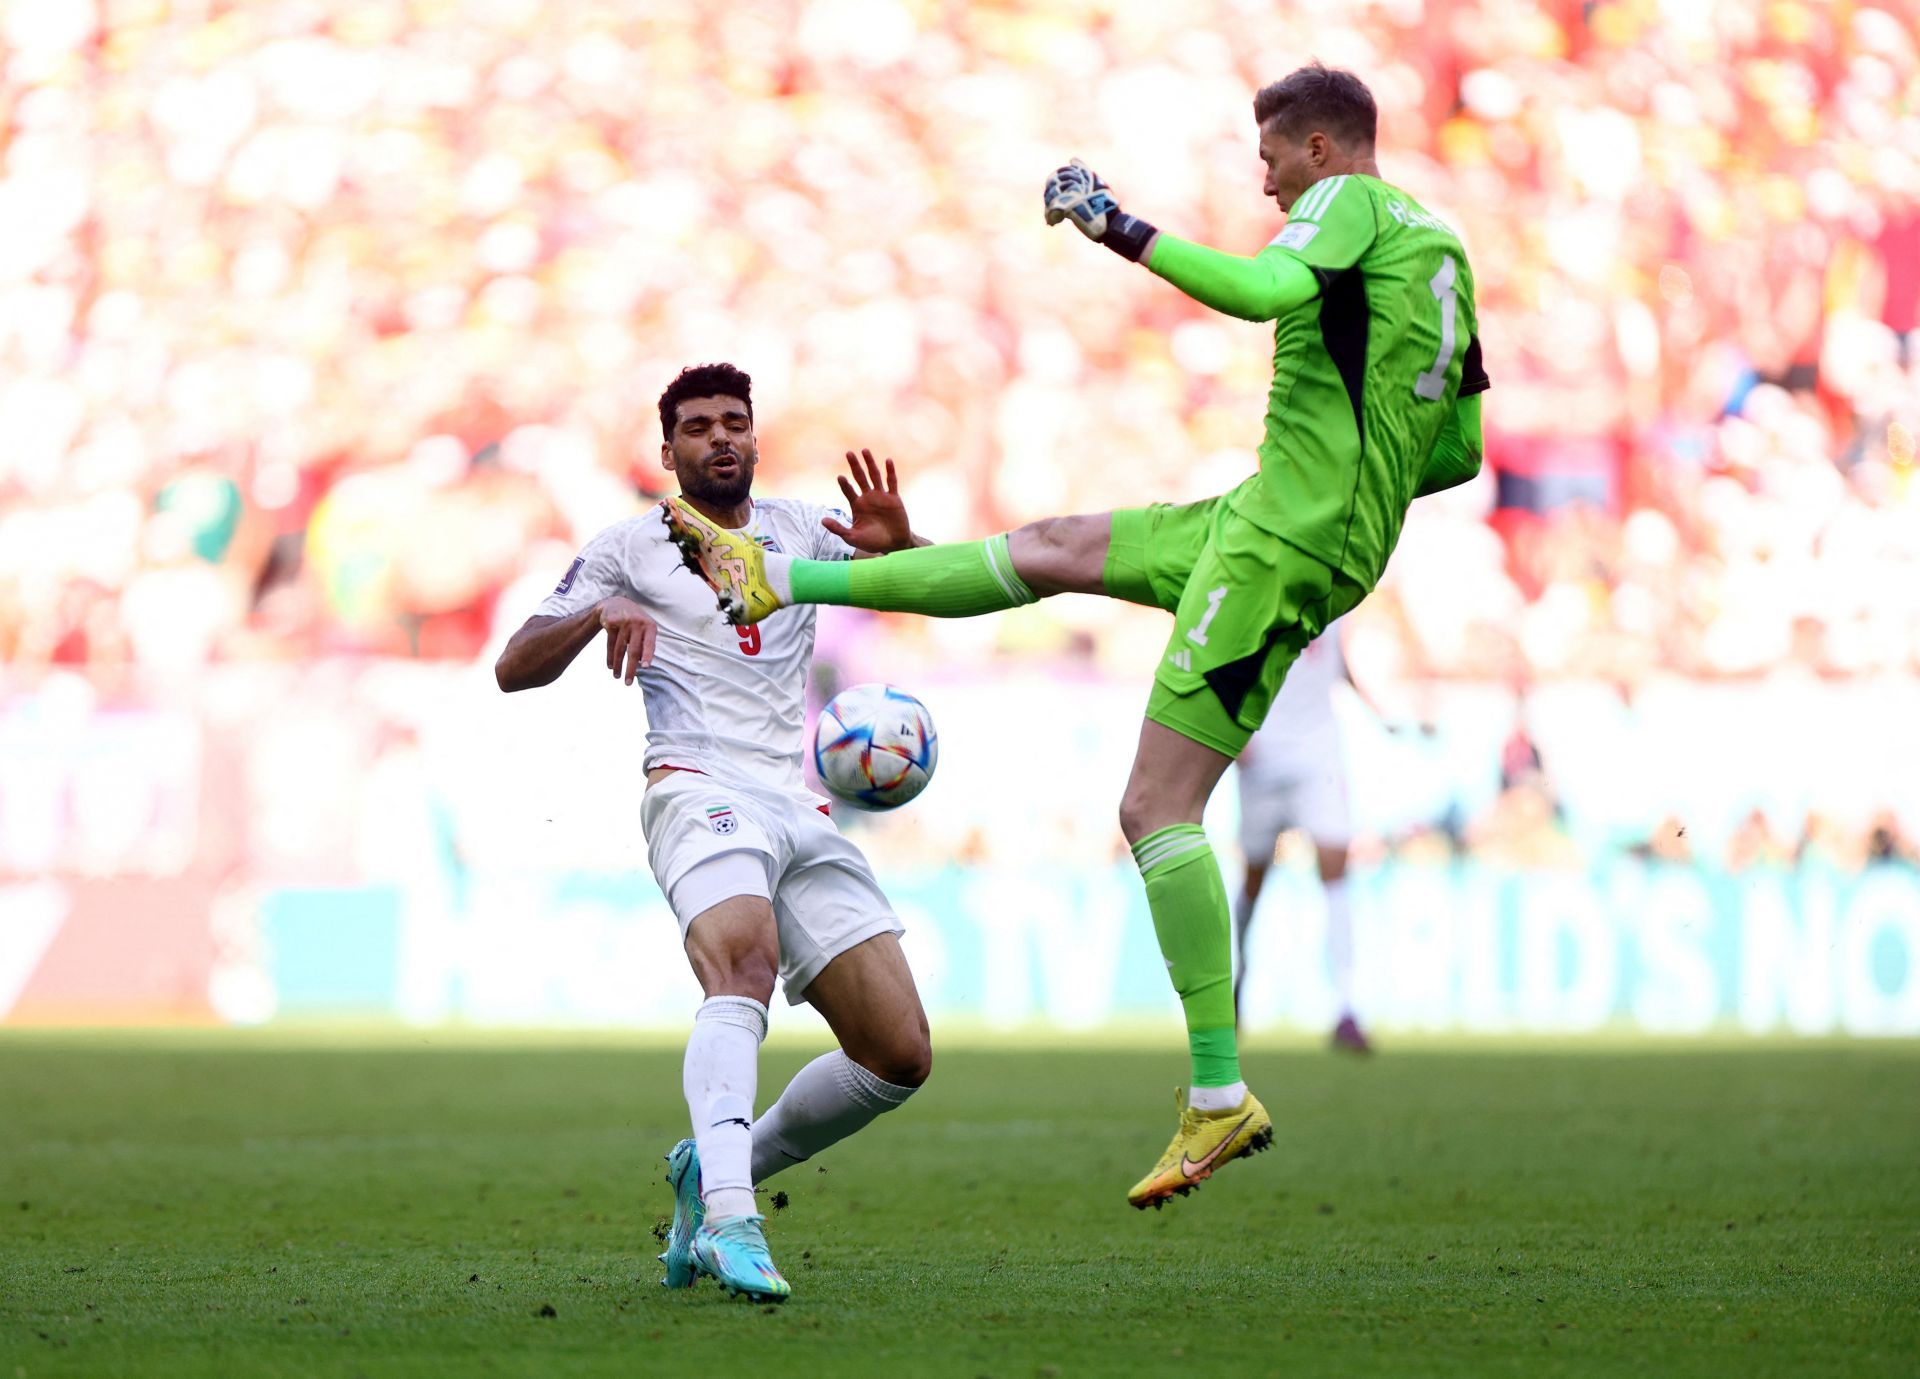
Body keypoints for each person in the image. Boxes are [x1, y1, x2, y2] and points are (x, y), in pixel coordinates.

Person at [664, 64, 1489, 1209]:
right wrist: (1360, 467)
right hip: (1273, 516)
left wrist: (1116, 226)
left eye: (1269, 157)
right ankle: (783, 578)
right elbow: (1459, 453)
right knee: (1049, 547)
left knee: (1155, 808)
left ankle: (1216, 1093)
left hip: (1287, 540)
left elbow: (1261, 293)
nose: (1261, 181)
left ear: (1315, 147)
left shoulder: (1343, 204)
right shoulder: (1445, 251)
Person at [494, 362, 935, 1301]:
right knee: (743, 963)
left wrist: (898, 552)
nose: (720, 437)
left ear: (755, 438)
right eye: (697, 427)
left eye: (734, 422)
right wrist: (595, 615)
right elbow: (513, 665)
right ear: (669, 451)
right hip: (696, 785)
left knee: (898, 1053)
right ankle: (733, 1219)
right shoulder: (627, 548)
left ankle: (716, 1166)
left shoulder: (800, 528)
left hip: (798, 802)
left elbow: (927, 580)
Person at [1230, 615, 1370, 1052]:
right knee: (1254, 878)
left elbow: (1338, 662)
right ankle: (1236, 978)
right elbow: (1226, 662)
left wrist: (1381, 715)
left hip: (1318, 755)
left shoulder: (1336, 599)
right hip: (1263, 755)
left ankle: (1346, 1008)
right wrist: (1236, 733)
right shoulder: (1259, 587)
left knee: (1335, 871)